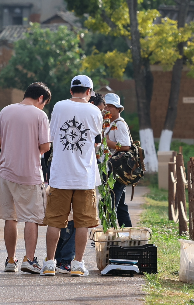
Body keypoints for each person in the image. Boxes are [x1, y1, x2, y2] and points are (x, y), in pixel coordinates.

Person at [42, 75, 103, 277]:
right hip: (84, 177)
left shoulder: (59, 107)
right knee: (83, 222)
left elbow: (51, 136)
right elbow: (97, 141)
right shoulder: (95, 111)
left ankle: (50, 263)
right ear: (89, 92)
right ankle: (77, 264)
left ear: (71, 91)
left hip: (60, 175)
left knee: (55, 221)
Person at [0, 82, 52, 274]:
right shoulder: (40, 115)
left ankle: (10, 260)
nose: (43, 107)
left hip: (6, 171)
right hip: (30, 173)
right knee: (31, 218)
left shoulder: (6, 111)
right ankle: (30, 259)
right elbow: (45, 146)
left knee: (10, 218)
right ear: (41, 98)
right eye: (44, 103)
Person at [103, 93, 132, 228]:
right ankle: (128, 233)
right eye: (106, 105)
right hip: (111, 169)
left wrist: (107, 142)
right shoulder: (110, 123)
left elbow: (125, 146)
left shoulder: (119, 124)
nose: (107, 108)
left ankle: (108, 234)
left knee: (110, 204)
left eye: (110, 106)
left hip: (116, 171)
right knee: (119, 206)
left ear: (118, 109)